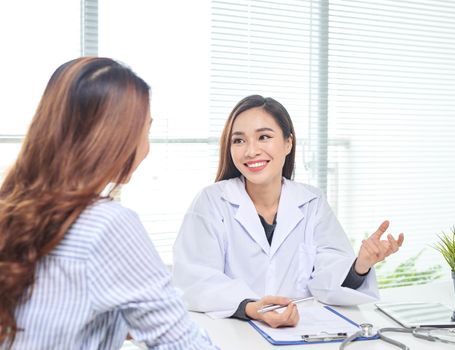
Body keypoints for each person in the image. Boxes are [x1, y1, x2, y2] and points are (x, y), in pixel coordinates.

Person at [0, 57, 218, 350]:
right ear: (115, 136)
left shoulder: (13, 205)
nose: (147, 147)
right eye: (146, 129)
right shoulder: (106, 223)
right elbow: (183, 344)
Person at [172, 94, 405, 328]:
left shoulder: (312, 202)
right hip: (235, 332)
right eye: (239, 140)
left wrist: (360, 265)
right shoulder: (212, 202)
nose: (251, 151)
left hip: (303, 332)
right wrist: (254, 308)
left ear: (288, 143)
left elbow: (328, 276)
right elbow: (194, 280)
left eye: (264, 137)